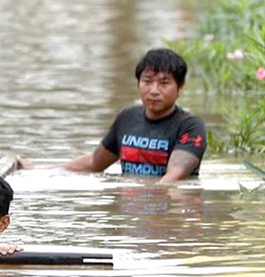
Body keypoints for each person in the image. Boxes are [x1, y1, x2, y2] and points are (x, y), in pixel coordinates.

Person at [63, 48, 207, 183]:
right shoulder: (127, 118)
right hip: (129, 203)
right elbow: (94, 164)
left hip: (169, 204)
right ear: (138, 84)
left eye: (164, 83)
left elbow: (174, 176)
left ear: (180, 88)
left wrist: (150, 196)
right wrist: (48, 173)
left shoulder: (191, 126)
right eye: (147, 81)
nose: (154, 90)